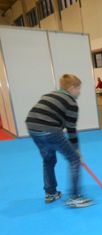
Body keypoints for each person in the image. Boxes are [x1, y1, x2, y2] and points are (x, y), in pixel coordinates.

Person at [25, 74, 93, 208]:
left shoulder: (49, 95)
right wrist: (77, 151)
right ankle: (75, 197)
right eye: (79, 88)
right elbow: (71, 129)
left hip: (32, 127)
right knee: (74, 160)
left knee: (48, 159)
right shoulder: (71, 103)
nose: (79, 92)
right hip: (50, 129)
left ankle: (50, 193)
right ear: (72, 88)